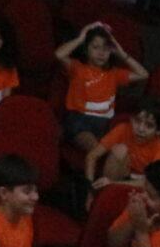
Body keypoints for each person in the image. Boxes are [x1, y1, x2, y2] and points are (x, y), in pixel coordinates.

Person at [55, 21, 146, 153]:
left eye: (106, 48)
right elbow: (59, 54)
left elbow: (143, 74)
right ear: (86, 49)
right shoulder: (78, 68)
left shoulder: (114, 73)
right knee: (96, 148)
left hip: (103, 123)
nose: (101, 53)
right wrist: (81, 38)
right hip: (79, 121)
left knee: (122, 149)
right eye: (95, 47)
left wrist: (121, 53)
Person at [85, 98, 160, 190]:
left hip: (140, 188)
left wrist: (113, 183)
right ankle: (104, 192)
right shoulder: (122, 129)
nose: (141, 129)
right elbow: (92, 156)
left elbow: (152, 183)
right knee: (120, 149)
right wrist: (89, 188)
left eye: (149, 125)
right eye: (137, 121)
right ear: (131, 119)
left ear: (159, 131)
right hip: (116, 175)